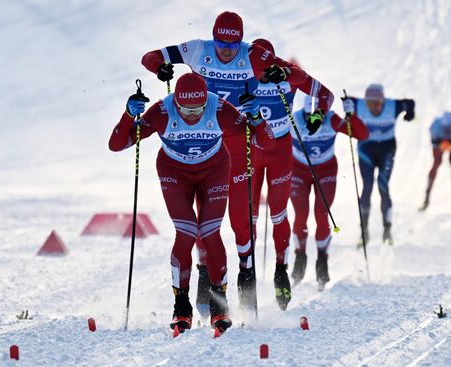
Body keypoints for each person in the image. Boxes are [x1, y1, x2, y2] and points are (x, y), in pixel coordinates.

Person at [140, 11, 309, 314]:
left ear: (241, 41)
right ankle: (206, 276)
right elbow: (151, 56)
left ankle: (247, 271)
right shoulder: (198, 49)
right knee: (205, 221)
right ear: (213, 36)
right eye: (221, 41)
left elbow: (300, 76)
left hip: (239, 142)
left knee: (240, 221)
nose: (227, 49)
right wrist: (159, 67)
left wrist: (281, 73)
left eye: (233, 43)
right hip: (207, 143)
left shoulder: (254, 55)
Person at [108, 72, 274, 332]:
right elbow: (116, 145)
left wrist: (256, 117)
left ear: (205, 102)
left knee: (210, 233)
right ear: (176, 103)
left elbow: (264, 141)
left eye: (198, 109)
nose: (193, 115)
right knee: (185, 234)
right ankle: (181, 306)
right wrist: (129, 114)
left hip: (214, 170)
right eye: (186, 109)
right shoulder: (162, 112)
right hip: (174, 172)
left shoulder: (219, 108)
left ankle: (219, 307)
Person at [248, 38, 335, 309]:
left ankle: (281, 270)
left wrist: (319, 115)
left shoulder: (287, 76)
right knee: (248, 213)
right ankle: (246, 273)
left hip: (280, 153)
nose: (259, 71)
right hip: (251, 151)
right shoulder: (241, 77)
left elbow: (325, 94)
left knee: (279, 213)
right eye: (254, 66)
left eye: (265, 65)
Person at [290, 96, 368, 289]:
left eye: (317, 116)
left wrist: (351, 115)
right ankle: (300, 257)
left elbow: (361, 134)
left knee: (322, 214)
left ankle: (322, 261)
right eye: (309, 115)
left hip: (325, 171)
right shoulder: (294, 120)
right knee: (300, 215)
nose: (313, 120)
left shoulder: (332, 119)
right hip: (299, 170)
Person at [342, 84, 415, 245]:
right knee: (367, 187)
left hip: (386, 150)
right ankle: (364, 231)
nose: (375, 107)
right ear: (365, 102)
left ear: (384, 101)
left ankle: (387, 229)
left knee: (383, 186)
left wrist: (410, 113)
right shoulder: (358, 105)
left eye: (378, 103)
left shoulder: (392, 106)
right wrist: (346, 107)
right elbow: (346, 100)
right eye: (370, 103)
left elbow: (410, 103)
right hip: (366, 150)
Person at [419, 111, 451, 212]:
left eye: (449, 129)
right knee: (436, 163)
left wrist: (449, 145)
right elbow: (434, 143)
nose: (447, 131)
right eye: (446, 128)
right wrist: (443, 144)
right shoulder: (435, 128)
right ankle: (426, 198)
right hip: (440, 140)